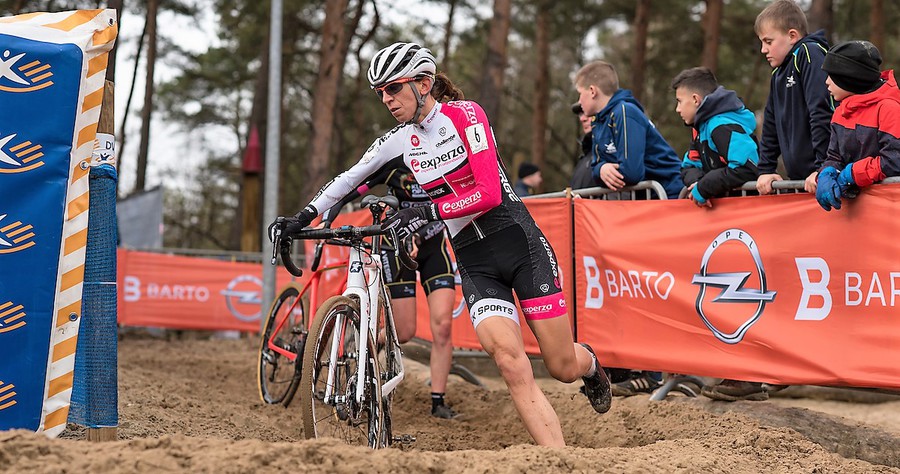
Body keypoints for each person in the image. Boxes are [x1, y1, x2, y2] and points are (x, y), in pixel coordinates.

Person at [271, 42, 611, 447]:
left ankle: (589, 365)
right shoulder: (399, 140)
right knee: (508, 360)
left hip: (519, 245)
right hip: (474, 260)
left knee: (561, 366)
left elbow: (487, 194)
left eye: (393, 88)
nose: (386, 99)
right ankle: (558, 462)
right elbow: (347, 178)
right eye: (379, 92)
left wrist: (427, 213)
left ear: (424, 83)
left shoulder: (466, 116)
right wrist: (301, 217)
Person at [320, 160, 459, 419]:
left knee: (443, 326)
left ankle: (438, 401)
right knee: (404, 333)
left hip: (433, 245)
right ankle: (368, 345)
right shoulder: (394, 161)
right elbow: (352, 188)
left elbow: (455, 202)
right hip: (396, 245)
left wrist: (418, 236)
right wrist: (327, 217)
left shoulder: (443, 159)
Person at [754, 0, 834, 195]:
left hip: (823, 178)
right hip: (801, 180)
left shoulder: (810, 53)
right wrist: (766, 169)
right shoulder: (778, 72)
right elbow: (771, 122)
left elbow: (821, 111)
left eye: (768, 41)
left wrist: (823, 167)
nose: (763, 49)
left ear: (792, 36)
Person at [574, 60, 683, 199]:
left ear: (592, 91)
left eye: (580, 94)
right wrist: (602, 169)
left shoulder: (625, 112)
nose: (579, 101)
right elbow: (595, 168)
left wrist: (604, 171)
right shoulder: (598, 121)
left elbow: (631, 173)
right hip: (646, 199)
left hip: (669, 196)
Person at [816, 40, 900, 211]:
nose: (826, 82)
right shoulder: (841, 111)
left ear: (850, 77)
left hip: (889, 210)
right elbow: (834, 156)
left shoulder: (889, 108)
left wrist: (852, 174)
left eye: (832, 75)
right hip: (856, 214)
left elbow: (894, 160)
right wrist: (826, 172)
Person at [672, 67, 760, 208]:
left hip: (750, 210)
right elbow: (689, 165)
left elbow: (747, 168)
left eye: (680, 101)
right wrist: (698, 183)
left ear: (695, 100)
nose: (677, 109)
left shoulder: (721, 126)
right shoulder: (699, 128)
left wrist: (705, 187)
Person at [570, 102, 597, 190]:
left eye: (588, 113)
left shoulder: (615, 149)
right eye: (581, 114)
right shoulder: (585, 157)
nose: (582, 119)